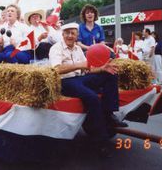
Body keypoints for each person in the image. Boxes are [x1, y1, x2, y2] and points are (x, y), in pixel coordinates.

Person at [49, 23, 127, 157]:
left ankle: (109, 113)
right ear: (62, 34)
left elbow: (88, 67)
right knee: (93, 98)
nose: (69, 35)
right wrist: (79, 65)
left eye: (72, 33)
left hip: (81, 78)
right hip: (65, 81)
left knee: (111, 73)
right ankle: (100, 142)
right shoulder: (56, 48)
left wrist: (102, 68)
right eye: (67, 33)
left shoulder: (78, 49)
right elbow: (56, 69)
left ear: (77, 36)